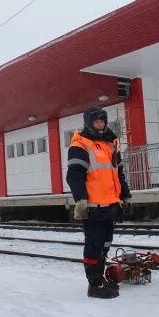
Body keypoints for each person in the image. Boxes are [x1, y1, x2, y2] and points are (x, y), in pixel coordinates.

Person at [66, 106, 132, 299]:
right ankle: (94, 286)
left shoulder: (111, 144)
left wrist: (125, 196)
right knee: (94, 246)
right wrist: (81, 201)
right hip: (94, 207)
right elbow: (74, 176)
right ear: (89, 123)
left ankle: (99, 279)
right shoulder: (81, 144)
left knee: (104, 245)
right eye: (96, 121)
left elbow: (118, 174)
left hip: (111, 205)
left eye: (103, 121)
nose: (101, 124)